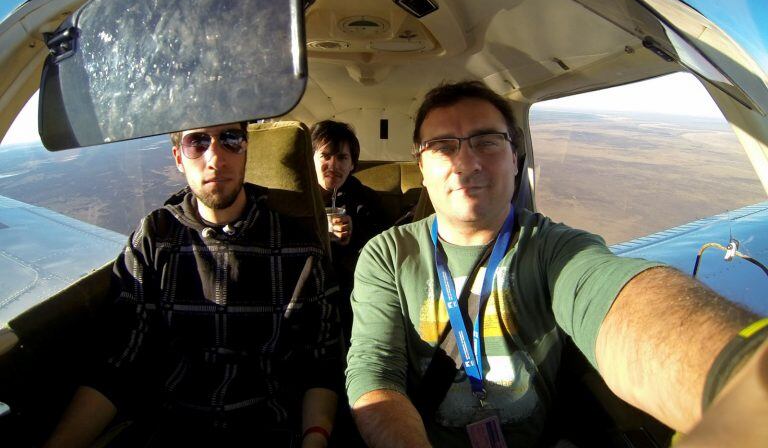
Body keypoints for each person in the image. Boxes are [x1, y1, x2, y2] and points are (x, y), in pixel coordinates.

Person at [345, 81, 768, 448]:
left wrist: (740, 382)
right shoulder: (387, 255)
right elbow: (374, 371)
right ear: (421, 166)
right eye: (443, 146)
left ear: (515, 157)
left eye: (486, 141)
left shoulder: (553, 247)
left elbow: (613, 299)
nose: (466, 162)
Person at [44, 123, 342, 448]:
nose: (215, 157)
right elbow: (121, 359)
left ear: (246, 149)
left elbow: (320, 364)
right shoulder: (155, 238)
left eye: (230, 139)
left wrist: (314, 439)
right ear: (178, 158)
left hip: (267, 430)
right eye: (197, 142)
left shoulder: (299, 249)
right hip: (171, 430)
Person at [310, 120, 388, 342]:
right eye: (325, 156)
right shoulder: (294, 199)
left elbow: (385, 240)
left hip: (351, 293)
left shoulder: (367, 199)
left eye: (342, 158)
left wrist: (356, 233)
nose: (333, 165)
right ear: (311, 159)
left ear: (353, 164)